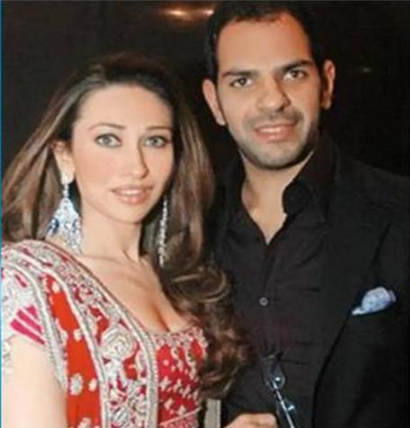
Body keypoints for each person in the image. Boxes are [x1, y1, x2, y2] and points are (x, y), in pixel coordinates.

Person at [1, 52, 275, 428]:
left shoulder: (177, 273)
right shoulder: (27, 281)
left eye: (155, 141)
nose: (137, 166)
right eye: (108, 139)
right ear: (64, 155)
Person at [201, 2, 410, 428]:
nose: (272, 99)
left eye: (293, 74)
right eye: (243, 81)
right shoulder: (187, 230)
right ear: (215, 102)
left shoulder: (399, 212)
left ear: (326, 83)